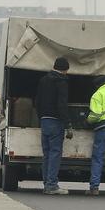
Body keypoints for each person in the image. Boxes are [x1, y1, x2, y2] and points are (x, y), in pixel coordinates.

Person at [35, 56, 70, 194]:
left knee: (47, 153)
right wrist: (68, 123)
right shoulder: (61, 82)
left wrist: (40, 117)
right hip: (56, 121)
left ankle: (46, 184)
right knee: (55, 153)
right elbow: (62, 104)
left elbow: (37, 101)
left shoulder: (43, 80)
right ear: (65, 69)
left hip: (44, 120)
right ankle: (52, 185)